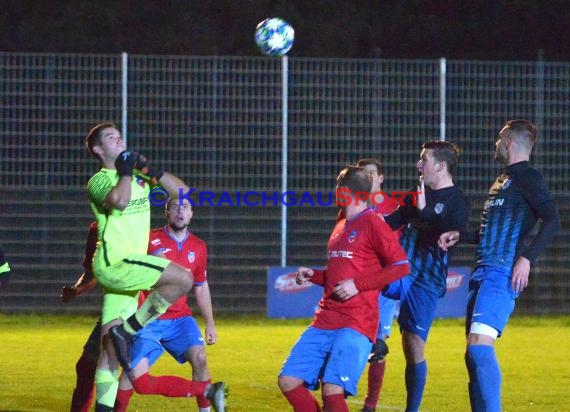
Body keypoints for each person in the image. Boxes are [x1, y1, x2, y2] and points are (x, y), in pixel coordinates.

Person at [85, 122, 225, 411]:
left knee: (111, 352)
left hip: (129, 275)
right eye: (111, 138)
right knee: (183, 279)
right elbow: (119, 201)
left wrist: (154, 172)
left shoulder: (136, 176)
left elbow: (183, 193)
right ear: (99, 150)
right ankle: (131, 330)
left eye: (119, 135)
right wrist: (125, 171)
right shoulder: (99, 180)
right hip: (117, 263)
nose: (119, 139)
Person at [438, 119, 561, 412]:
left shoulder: (528, 177)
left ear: (508, 142)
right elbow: (490, 233)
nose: (495, 144)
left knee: (480, 348)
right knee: (472, 355)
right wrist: (462, 236)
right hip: (481, 272)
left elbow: (553, 219)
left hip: (501, 273)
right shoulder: (502, 181)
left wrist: (527, 258)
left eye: (498, 139)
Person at [278, 165, 410, 412]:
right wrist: (315, 276)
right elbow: (341, 275)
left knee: (332, 390)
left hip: (357, 322)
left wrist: (358, 285)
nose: (335, 190)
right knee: (288, 380)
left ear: (346, 191)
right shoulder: (341, 223)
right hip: (325, 319)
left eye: (338, 186)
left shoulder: (373, 222)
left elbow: (401, 267)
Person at [382, 140, 470, 412]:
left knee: (413, 344)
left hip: (427, 279)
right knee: (365, 277)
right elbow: (392, 222)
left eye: (425, 159)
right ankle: (373, 335)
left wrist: (426, 212)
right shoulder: (415, 193)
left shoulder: (458, 201)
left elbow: (450, 234)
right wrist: (361, 222)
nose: (419, 164)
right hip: (401, 269)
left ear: (441, 166)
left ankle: (412, 409)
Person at [114, 197, 219, 412]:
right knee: (130, 375)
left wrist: (210, 322)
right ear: (166, 213)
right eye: (175, 208)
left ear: (192, 214)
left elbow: (200, 286)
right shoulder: (150, 239)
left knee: (200, 357)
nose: (181, 212)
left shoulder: (199, 246)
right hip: (148, 319)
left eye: (186, 208)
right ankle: (208, 391)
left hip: (180, 319)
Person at [354, 159, 401, 412]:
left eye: (372, 173)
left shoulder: (393, 208)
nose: (369, 178)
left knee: (378, 344)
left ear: (381, 179)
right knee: (353, 337)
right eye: (364, 174)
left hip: (384, 284)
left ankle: (370, 404)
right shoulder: (354, 208)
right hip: (359, 283)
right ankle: (337, 388)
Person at [61, 222, 100, 412]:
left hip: (138, 305)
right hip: (115, 308)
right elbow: (91, 273)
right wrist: (77, 290)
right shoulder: (96, 228)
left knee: (128, 374)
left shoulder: (134, 223)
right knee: (86, 366)